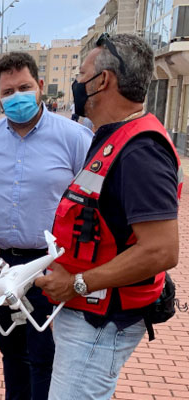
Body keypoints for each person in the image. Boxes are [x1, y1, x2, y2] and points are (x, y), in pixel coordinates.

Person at [35, 33, 180, 399]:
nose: (75, 83)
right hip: (88, 317)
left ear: (103, 80)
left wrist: (77, 283)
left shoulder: (140, 151)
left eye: (81, 73)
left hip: (100, 322)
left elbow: (161, 251)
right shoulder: (112, 136)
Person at [0, 52, 92, 400]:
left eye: (24, 87)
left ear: (39, 87)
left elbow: (91, 201)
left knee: (46, 356)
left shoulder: (74, 137)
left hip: (51, 264)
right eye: (8, 91)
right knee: (11, 353)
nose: (16, 96)